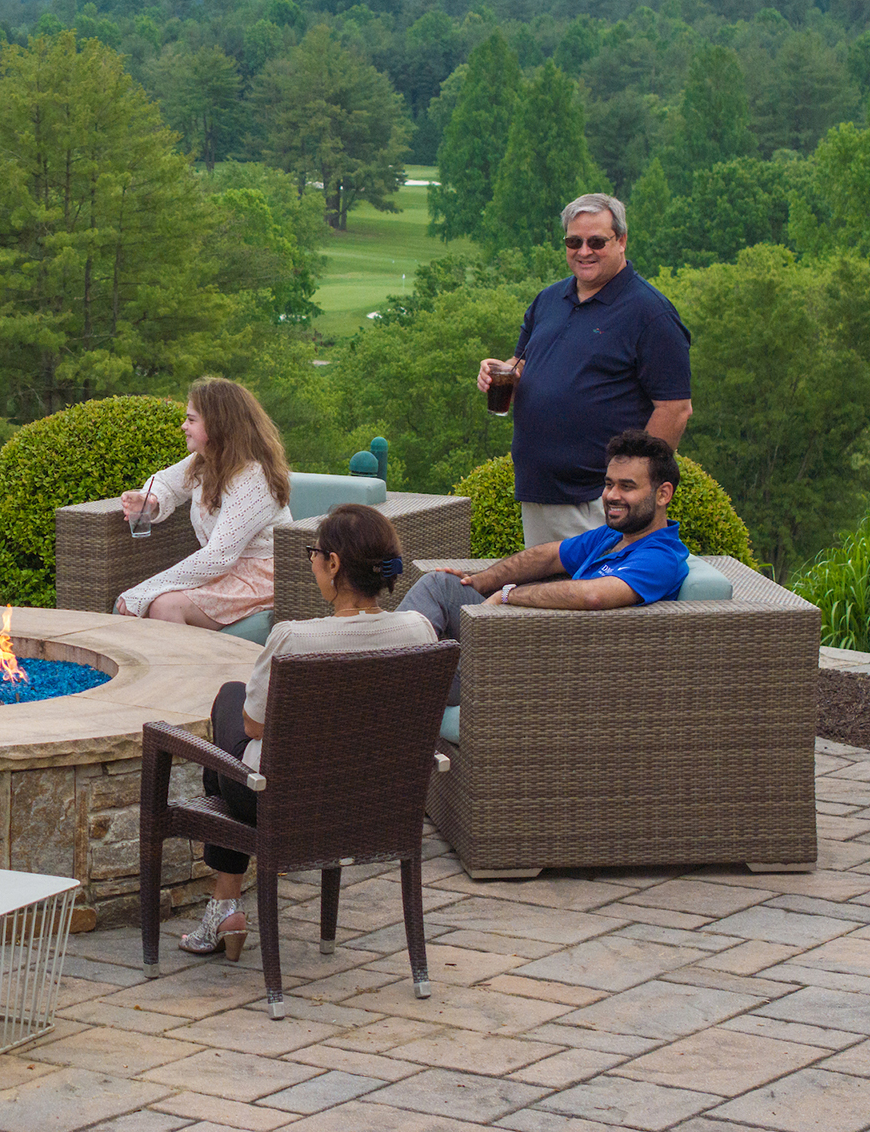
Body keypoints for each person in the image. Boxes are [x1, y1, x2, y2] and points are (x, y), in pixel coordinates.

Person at [181, 504, 437, 958]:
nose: (313, 562)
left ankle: (224, 906)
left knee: (230, 705)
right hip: (378, 804)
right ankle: (223, 909)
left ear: (334, 564)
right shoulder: (419, 631)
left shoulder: (296, 639)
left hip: (287, 802)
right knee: (236, 744)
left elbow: (254, 725)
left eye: (314, 553)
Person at [398, 429, 691, 704]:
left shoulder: (660, 556)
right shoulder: (613, 536)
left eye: (627, 486)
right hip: (518, 638)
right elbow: (549, 556)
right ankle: (385, 661)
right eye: (608, 484)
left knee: (409, 674)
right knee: (440, 585)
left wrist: (508, 595)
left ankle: (385, 672)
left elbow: (594, 596)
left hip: (544, 668)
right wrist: (481, 582)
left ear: (663, 494)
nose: (612, 495)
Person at [475, 193, 693, 547]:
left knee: (595, 584)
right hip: (538, 492)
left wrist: (633, 487)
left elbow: (675, 409)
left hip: (598, 502)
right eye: (574, 242)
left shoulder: (651, 314)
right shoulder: (548, 300)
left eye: (597, 242)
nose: (584, 251)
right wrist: (500, 372)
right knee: (546, 585)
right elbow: (524, 367)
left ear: (621, 241)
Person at [115, 378, 292, 629]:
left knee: (163, 606)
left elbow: (219, 556)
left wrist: (146, 589)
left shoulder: (253, 477)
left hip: (260, 578)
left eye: (191, 419)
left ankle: (188, 657)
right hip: (223, 572)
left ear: (218, 424)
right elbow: (163, 482)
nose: (183, 426)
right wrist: (151, 499)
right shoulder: (203, 463)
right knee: (155, 603)